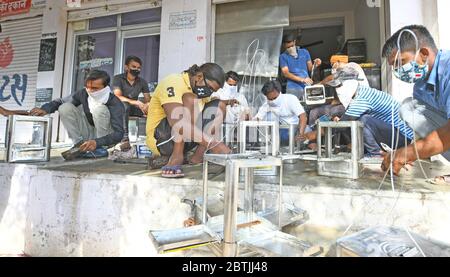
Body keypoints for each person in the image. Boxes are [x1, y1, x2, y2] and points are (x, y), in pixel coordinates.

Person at [381, 25, 450, 177]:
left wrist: (409, 152)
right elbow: (425, 132)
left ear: (424, 53)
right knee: (408, 108)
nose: (398, 71)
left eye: (401, 62)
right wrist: (405, 153)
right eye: (394, 67)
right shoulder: (420, 87)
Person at [146, 63, 231, 178]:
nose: (209, 92)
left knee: (219, 106)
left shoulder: (199, 90)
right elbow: (176, 122)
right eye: (210, 88)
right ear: (199, 76)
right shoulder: (173, 81)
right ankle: (176, 156)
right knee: (190, 98)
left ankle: (198, 157)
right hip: (162, 140)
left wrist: (227, 102)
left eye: (212, 91)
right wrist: (214, 144)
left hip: (186, 139)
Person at [305, 66, 414, 156]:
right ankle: (369, 151)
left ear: (350, 83)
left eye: (339, 86)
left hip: (402, 137)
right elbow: (345, 119)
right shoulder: (362, 93)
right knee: (357, 119)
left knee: (364, 120)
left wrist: (316, 134)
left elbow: (343, 123)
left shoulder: (362, 98)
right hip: (395, 133)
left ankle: (375, 154)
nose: (337, 90)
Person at [30, 70, 125, 158]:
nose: (90, 91)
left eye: (95, 88)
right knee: (65, 107)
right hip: (90, 134)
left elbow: (118, 134)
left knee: (99, 109)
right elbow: (61, 101)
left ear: (105, 87)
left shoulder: (115, 103)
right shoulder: (84, 93)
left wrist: (98, 142)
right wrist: (45, 109)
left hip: (106, 138)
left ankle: (101, 149)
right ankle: (79, 145)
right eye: (88, 87)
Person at [112, 56, 151, 150]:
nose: (136, 69)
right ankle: (124, 139)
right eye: (134, 66)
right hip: (118, 108)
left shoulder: (142, 82)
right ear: (126, 67)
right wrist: (136, 102)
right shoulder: (118, 79)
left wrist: (147, 106)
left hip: (133, 108)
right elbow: (118, 97)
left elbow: (148, 99)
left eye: (139, 68)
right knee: (124, 106)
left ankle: (154, 139)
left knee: (154, 109)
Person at [280, 33, 322, 100]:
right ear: (284, 46)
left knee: (308, 106)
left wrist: (316, 65)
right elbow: (286, 73)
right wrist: (302, 80)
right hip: (293, 88)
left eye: (292, 46)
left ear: (294, 42)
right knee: (293, 108)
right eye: (288, 47)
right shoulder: (283, 57)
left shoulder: (304, 52)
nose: (290, 48)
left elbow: (310, 69)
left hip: (307, 86)